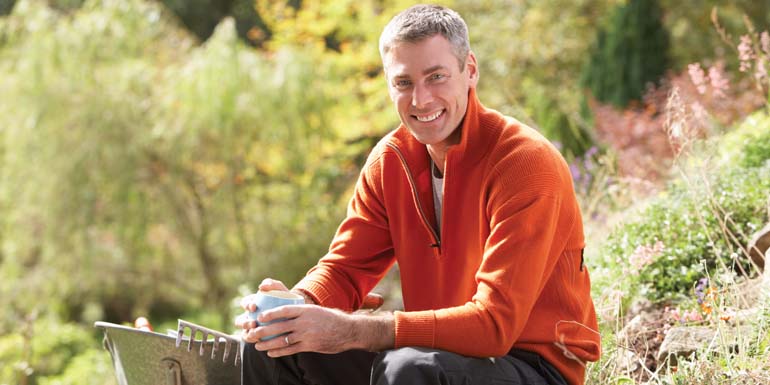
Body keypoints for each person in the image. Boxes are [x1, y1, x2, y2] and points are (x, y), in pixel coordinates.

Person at [235, 4, 600, 385]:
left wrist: (355, 330)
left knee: (408, 368)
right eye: (404, 83)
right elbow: (344, 270)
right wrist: (297, 306)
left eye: (436, 77)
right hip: (436, 353)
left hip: (532, 366)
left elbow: (494, 326)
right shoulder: (390, 162)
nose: (420, 100)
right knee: (275, 342)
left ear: (470, 70)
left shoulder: (525, 164)